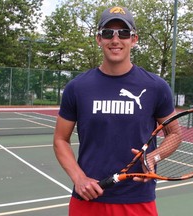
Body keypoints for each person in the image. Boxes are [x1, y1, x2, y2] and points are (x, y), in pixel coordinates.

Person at [53, 6, 180, 216]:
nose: (115, 39)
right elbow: (60, 139)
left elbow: (175, 134)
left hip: (138, 200)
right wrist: (79, 178)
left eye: (123, 33)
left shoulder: (156, 87)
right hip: (88, 199)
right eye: (107, 33)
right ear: (98, 39)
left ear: (134, 39)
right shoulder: (77, 88)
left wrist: (153, 157)